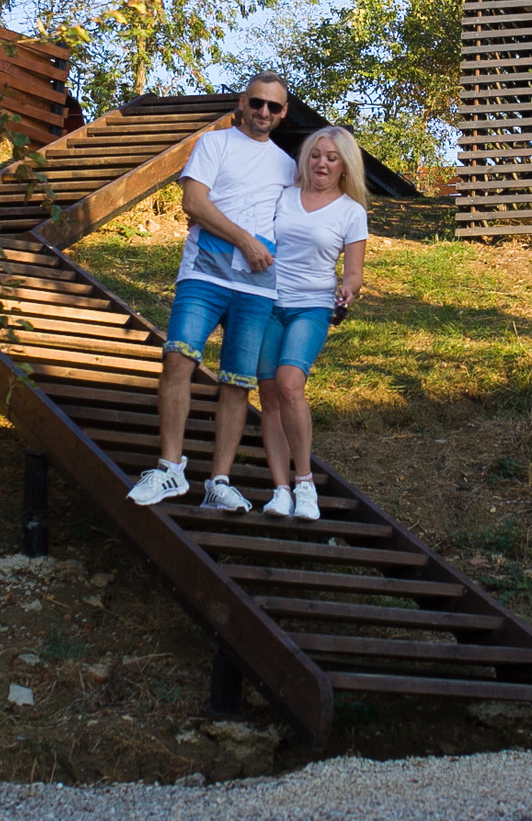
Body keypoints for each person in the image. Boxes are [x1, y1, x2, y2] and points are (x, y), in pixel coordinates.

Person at [126, 74, 294, 511]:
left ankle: (219, 482)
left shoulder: (287, 166)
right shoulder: (213, 145)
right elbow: (194, 203)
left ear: (284, 112)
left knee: (237, 383)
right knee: (178, 357)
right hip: (204, 274)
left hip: (257, 287)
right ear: (242, 102)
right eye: (257, 103)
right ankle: (169, 469)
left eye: (273, 107)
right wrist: (244, 240)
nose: (263, 113)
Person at [253, 125, 369, 521]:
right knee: (267, 395)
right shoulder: (283, 197)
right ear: (306, 158)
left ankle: (305, 485)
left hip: (312, 306)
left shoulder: (351, 212)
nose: (322, 162)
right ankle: (280, 490)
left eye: (331, 158)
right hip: (268, 302)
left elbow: (354, 272)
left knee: (289, 384)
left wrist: (349, 290)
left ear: (344, 167)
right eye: (316, 155)